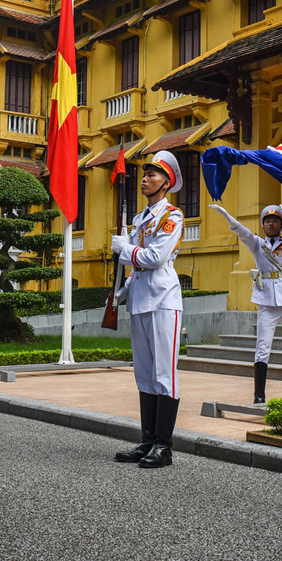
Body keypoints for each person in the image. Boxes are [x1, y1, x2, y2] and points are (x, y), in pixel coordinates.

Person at [111, 150, 185, 468]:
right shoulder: (140, 219)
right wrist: (124, 290)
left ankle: (164, 446)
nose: (144, 179)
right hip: (140, 298)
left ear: (166, 183)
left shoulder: (172, 216)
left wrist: (125, 249)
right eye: (144, 174)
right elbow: (138, 266)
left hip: (163, 299)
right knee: (144, 373)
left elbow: (155, 258)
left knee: (164, 373)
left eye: (152, 175)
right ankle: (147, 441)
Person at [209, 201, 282, 403]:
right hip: (266, 300)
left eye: (275, 221)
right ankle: (259, 395)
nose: (271, 224)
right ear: (263, 224)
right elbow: (243, 232)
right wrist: (227, 216)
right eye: (267, 221)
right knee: (263, 346)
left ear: (280, 224)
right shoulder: (257, 243)